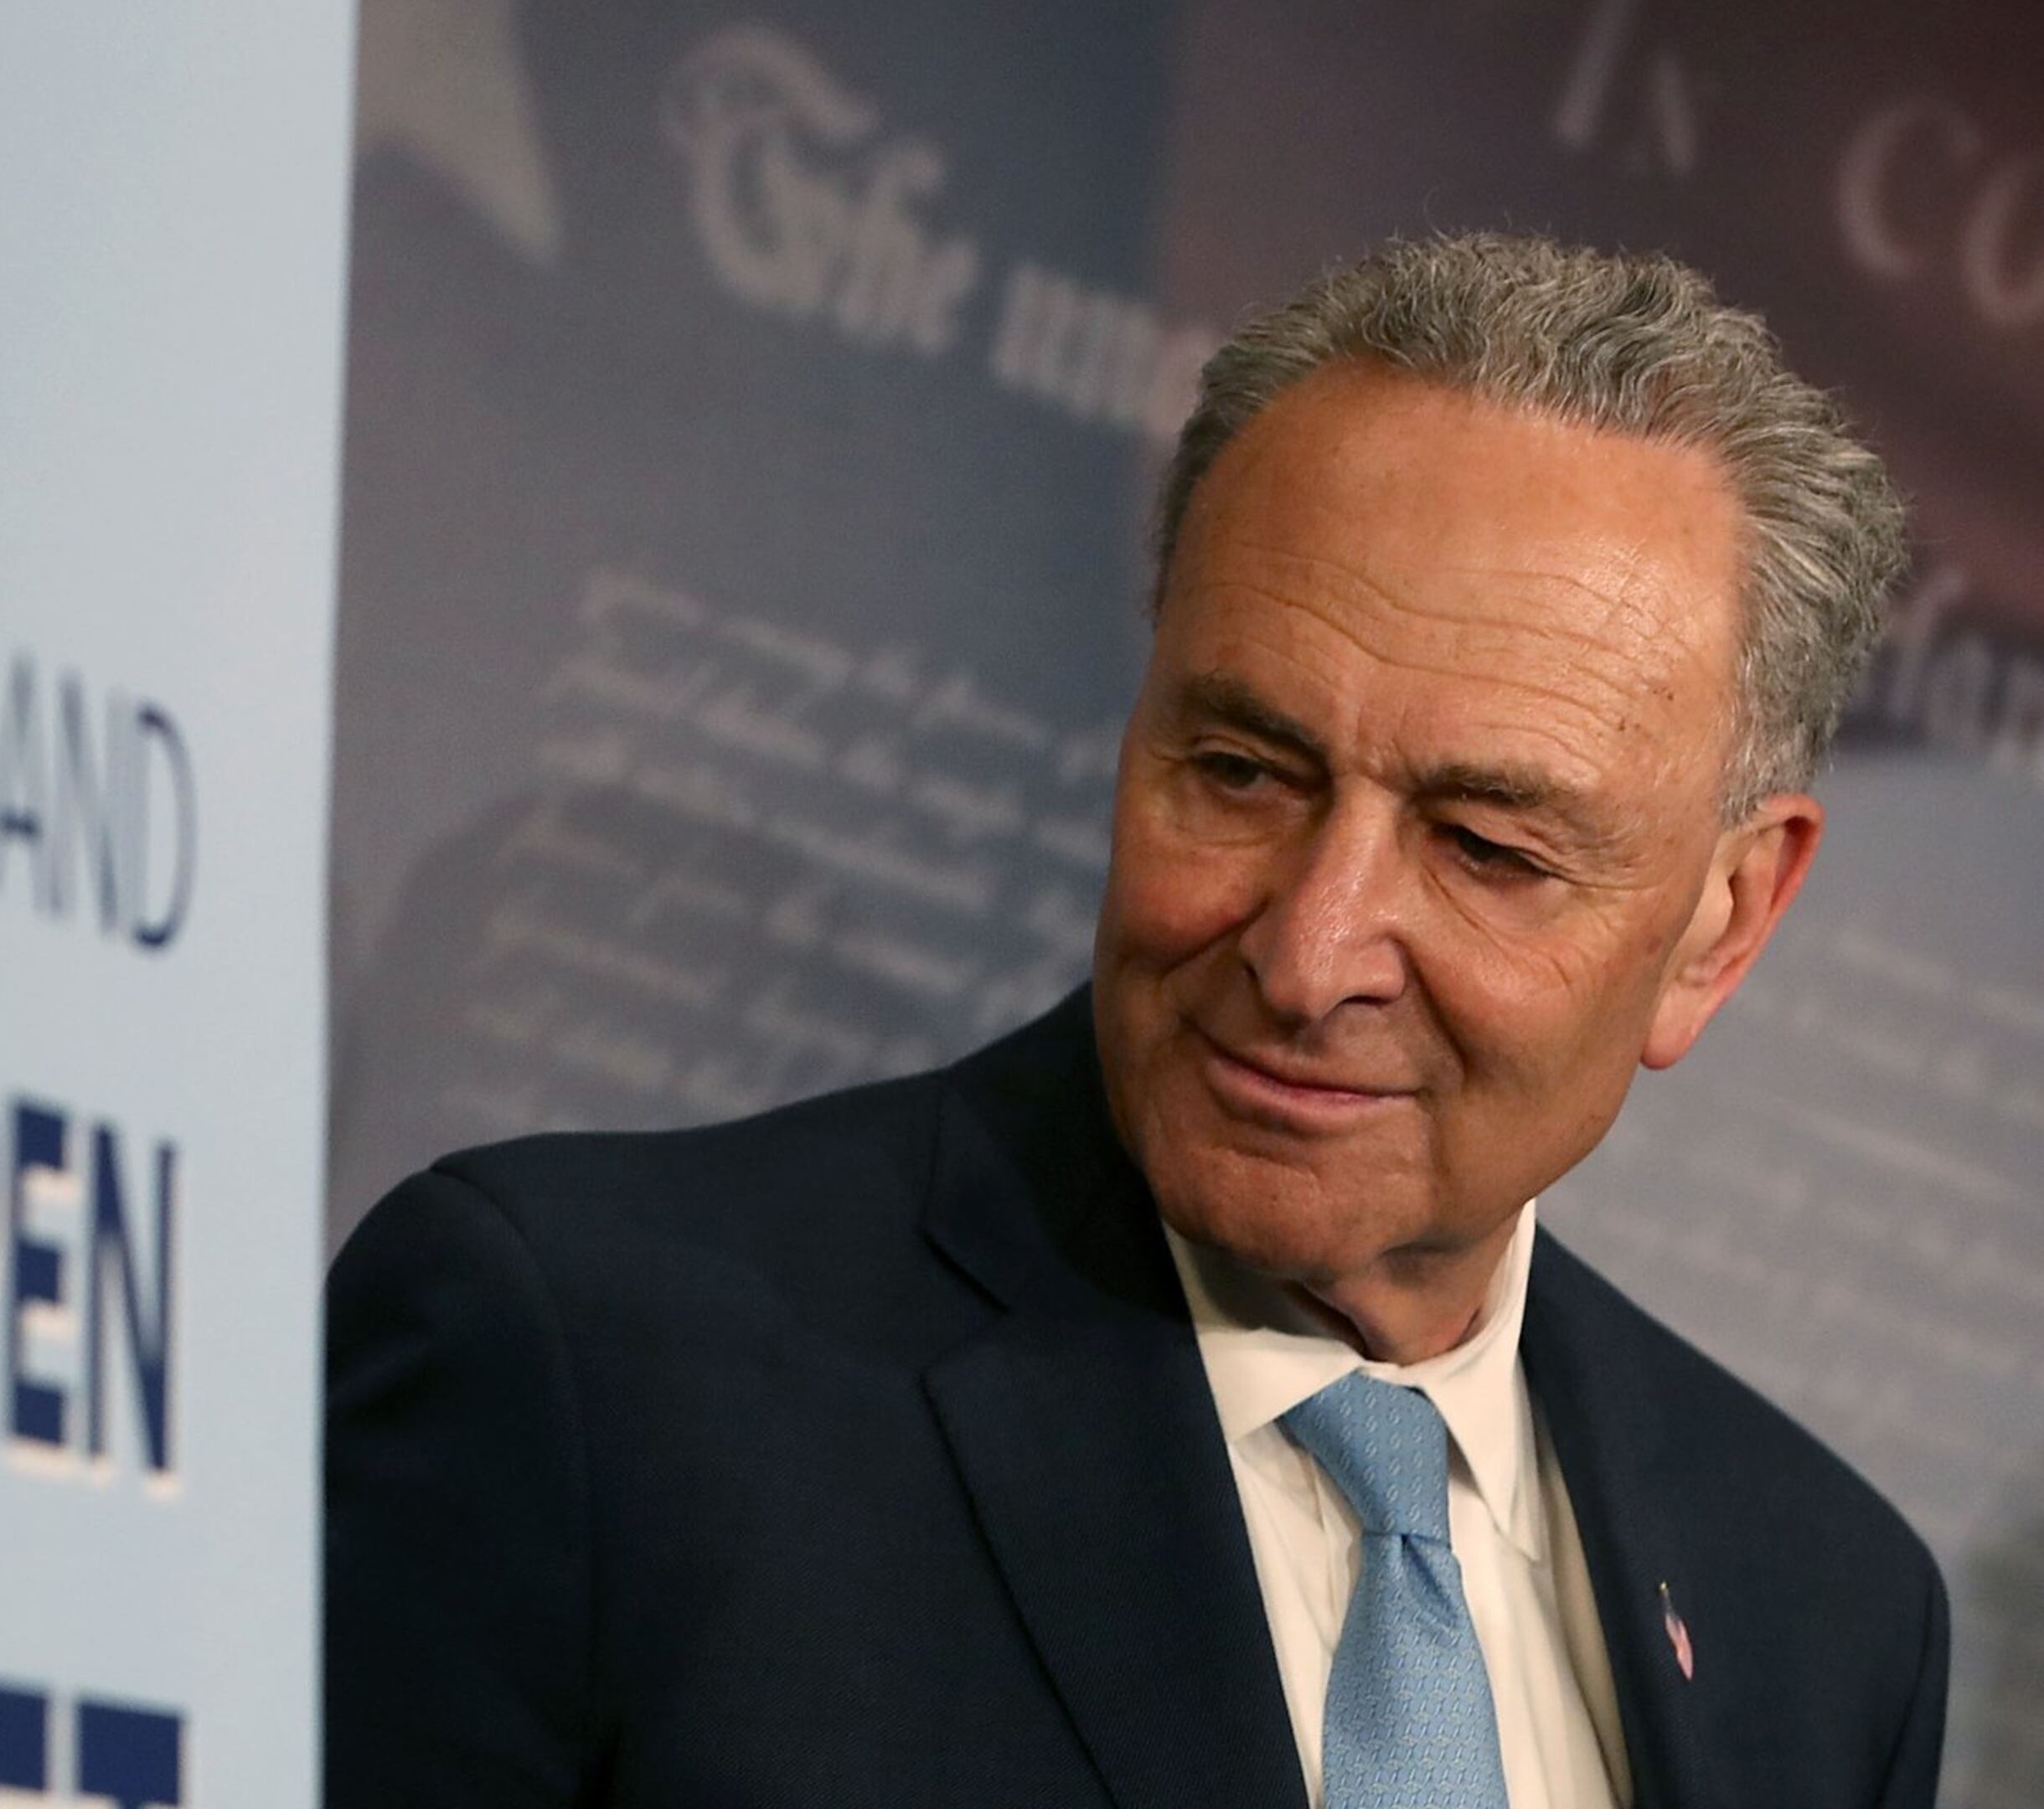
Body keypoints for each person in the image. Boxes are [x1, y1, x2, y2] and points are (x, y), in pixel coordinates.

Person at [324, 234, 1950, 1809]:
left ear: (1722, 923)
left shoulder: (1822, 1620)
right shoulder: (587, 1375)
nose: (1309, 957)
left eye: (1485, 852)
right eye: (1242, 773)